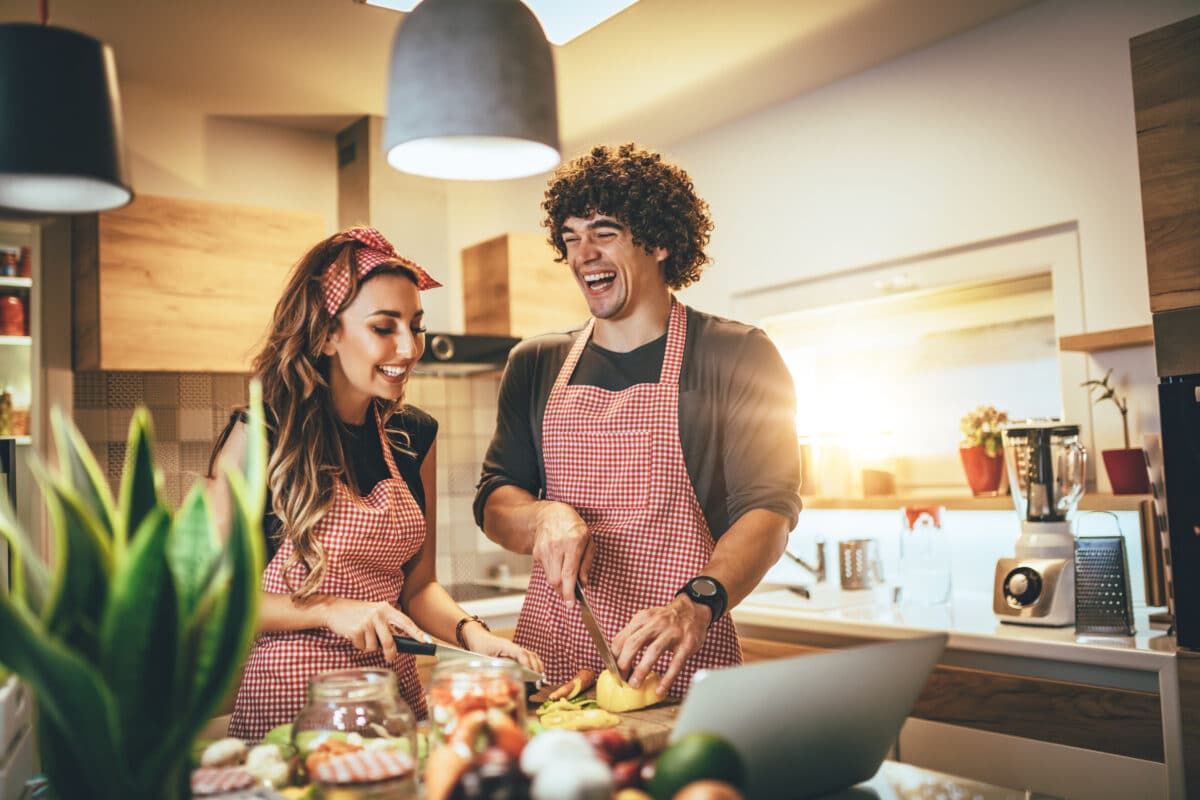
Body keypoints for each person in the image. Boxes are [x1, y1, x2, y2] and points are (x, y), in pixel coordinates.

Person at [474, 144, 802, 698]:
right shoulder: (535, 363)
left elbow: (769, 510)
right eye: (571, 237)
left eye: (604, 232)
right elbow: (494, 500)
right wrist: (543, 516)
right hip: (553, 669)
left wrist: (695, 605)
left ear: (661, 240)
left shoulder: (736, 353)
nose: (584, 254)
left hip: (680, 661)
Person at [210, 227, 542, 740]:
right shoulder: (260, 436)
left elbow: (420, 587)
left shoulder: (414, 437)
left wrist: (474, 636)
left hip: (393, 703)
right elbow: (214, 599)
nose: (409, 348)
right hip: (293, 712)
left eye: (415, 326)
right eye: (384, 327)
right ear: (326, 333)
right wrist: (328, 610)